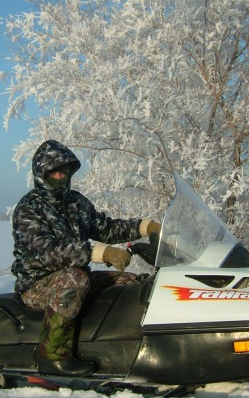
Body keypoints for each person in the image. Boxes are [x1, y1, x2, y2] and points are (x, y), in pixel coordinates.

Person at [11, 140, 161, 377]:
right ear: (41, 174)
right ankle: (53, 356)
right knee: (74, 279)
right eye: (54, 171)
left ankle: (119, 345)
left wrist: (145, 227)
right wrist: (101, 253)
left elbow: (105, 228)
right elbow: (48, 252)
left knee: (130, 282)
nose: (60, 176)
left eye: (65, 170)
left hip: (75, 277)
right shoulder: (29, 208)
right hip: (37, 284)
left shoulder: (76, 202)